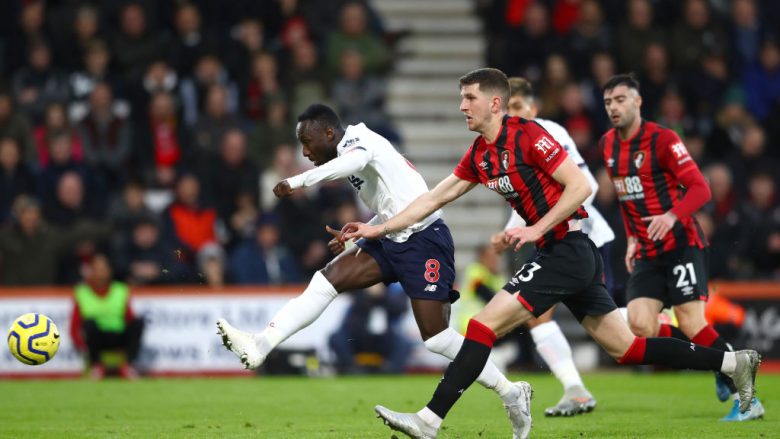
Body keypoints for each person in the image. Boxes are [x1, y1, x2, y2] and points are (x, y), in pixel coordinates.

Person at [342, 68, 761, 439]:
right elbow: (434, 199)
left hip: (567, 249)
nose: (461, 106)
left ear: (494, 103)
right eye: (461, 98)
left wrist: (536, 228)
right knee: (627, 348)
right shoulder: (480, 154)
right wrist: (377, 227)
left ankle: (430, 421)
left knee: (483, 325)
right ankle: (732, 364)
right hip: (564, 252)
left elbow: (579, 186)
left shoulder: (528, 136)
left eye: (469, 98)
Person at [216, 104, 531, 436]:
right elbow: (395, 199)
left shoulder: (357, 140)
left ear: (329, 133)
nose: (305, 151)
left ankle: (511, 392)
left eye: (308, 142)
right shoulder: (353, 146)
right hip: (389, 234)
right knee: (325, 281)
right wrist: (363, 229)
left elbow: (352, 163)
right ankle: (261, 345)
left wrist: (298, 180)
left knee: (437, 339)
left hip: (424, 239)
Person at [600, 74, 764, 421]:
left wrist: (672, 216)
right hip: (646, 250)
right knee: (640, 324)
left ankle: (748, 399)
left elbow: (701, 189)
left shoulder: (662, 139)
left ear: (638, 101)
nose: (614, 107)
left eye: (620, 100)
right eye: (608, 102)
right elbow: (628, 198)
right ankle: (721, 366)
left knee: (691, 322)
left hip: (681, 244)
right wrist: (631, 237)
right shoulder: (608, 145)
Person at [487, 76, 616, 416]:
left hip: (583, 238)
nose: (512, 114)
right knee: (539, 317)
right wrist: (511, 231)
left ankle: (675, 326)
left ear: (533, 107)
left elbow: (583, 183)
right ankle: (575, 389)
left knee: (629, 329)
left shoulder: (548, 132)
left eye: (518, 107)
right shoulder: (510, 143)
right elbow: (530, 199)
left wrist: (527, 229)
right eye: (508, 107)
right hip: (554, 241)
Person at [69, 253, 144, 380]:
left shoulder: (120, 290)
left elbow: (129, 318)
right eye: (97, 269)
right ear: (91, 271)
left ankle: (127, 365)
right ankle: (96, 365)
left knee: (138, 322)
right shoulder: (82, 293)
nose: (100, 273)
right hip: (97, 339)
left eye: (103, 269)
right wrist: (82, 347)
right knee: (89, 324)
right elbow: (74, 326)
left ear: (110, 271)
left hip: (118, 335)